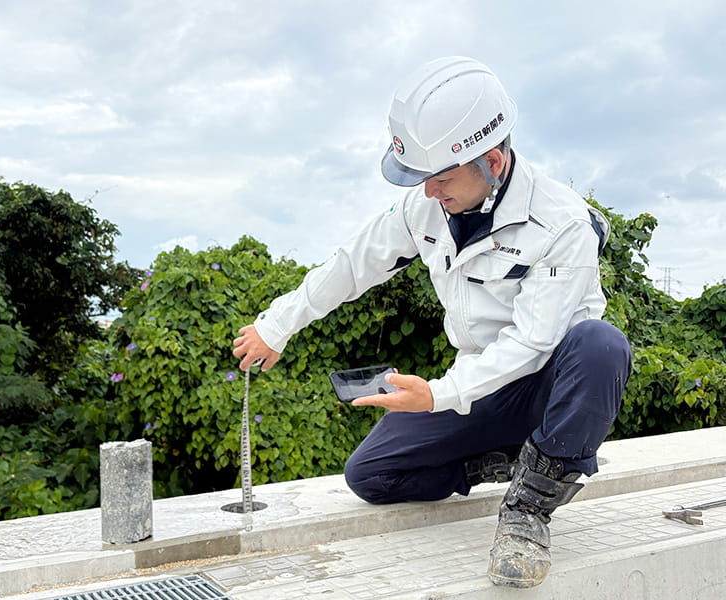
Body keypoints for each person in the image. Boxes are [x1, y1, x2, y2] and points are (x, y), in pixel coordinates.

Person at [232, 56, 632, 588]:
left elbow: (533, 343)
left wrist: (438, 395)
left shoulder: (561, 223)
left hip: (546, 386)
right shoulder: (427, 210)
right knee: (371, 475)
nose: (427, 192)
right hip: (480, 383)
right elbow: (354, 263)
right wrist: (275, 325)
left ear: (490, 159)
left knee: (601, 344)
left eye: (439, 178)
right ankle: (510, 462)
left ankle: (530, 510)